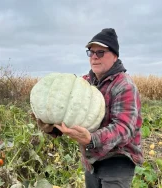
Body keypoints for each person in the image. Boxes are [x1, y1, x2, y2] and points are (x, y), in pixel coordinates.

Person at [37, 28, 144, 188]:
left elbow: (124, 129)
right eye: (91, 52)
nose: (94, 57)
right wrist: (52, 127)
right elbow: (70, 116)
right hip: (92, 160)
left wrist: (91, 139)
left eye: (100, 52)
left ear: (114, 56)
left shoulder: (124, 85)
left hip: (118, 161)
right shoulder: (83, 83)